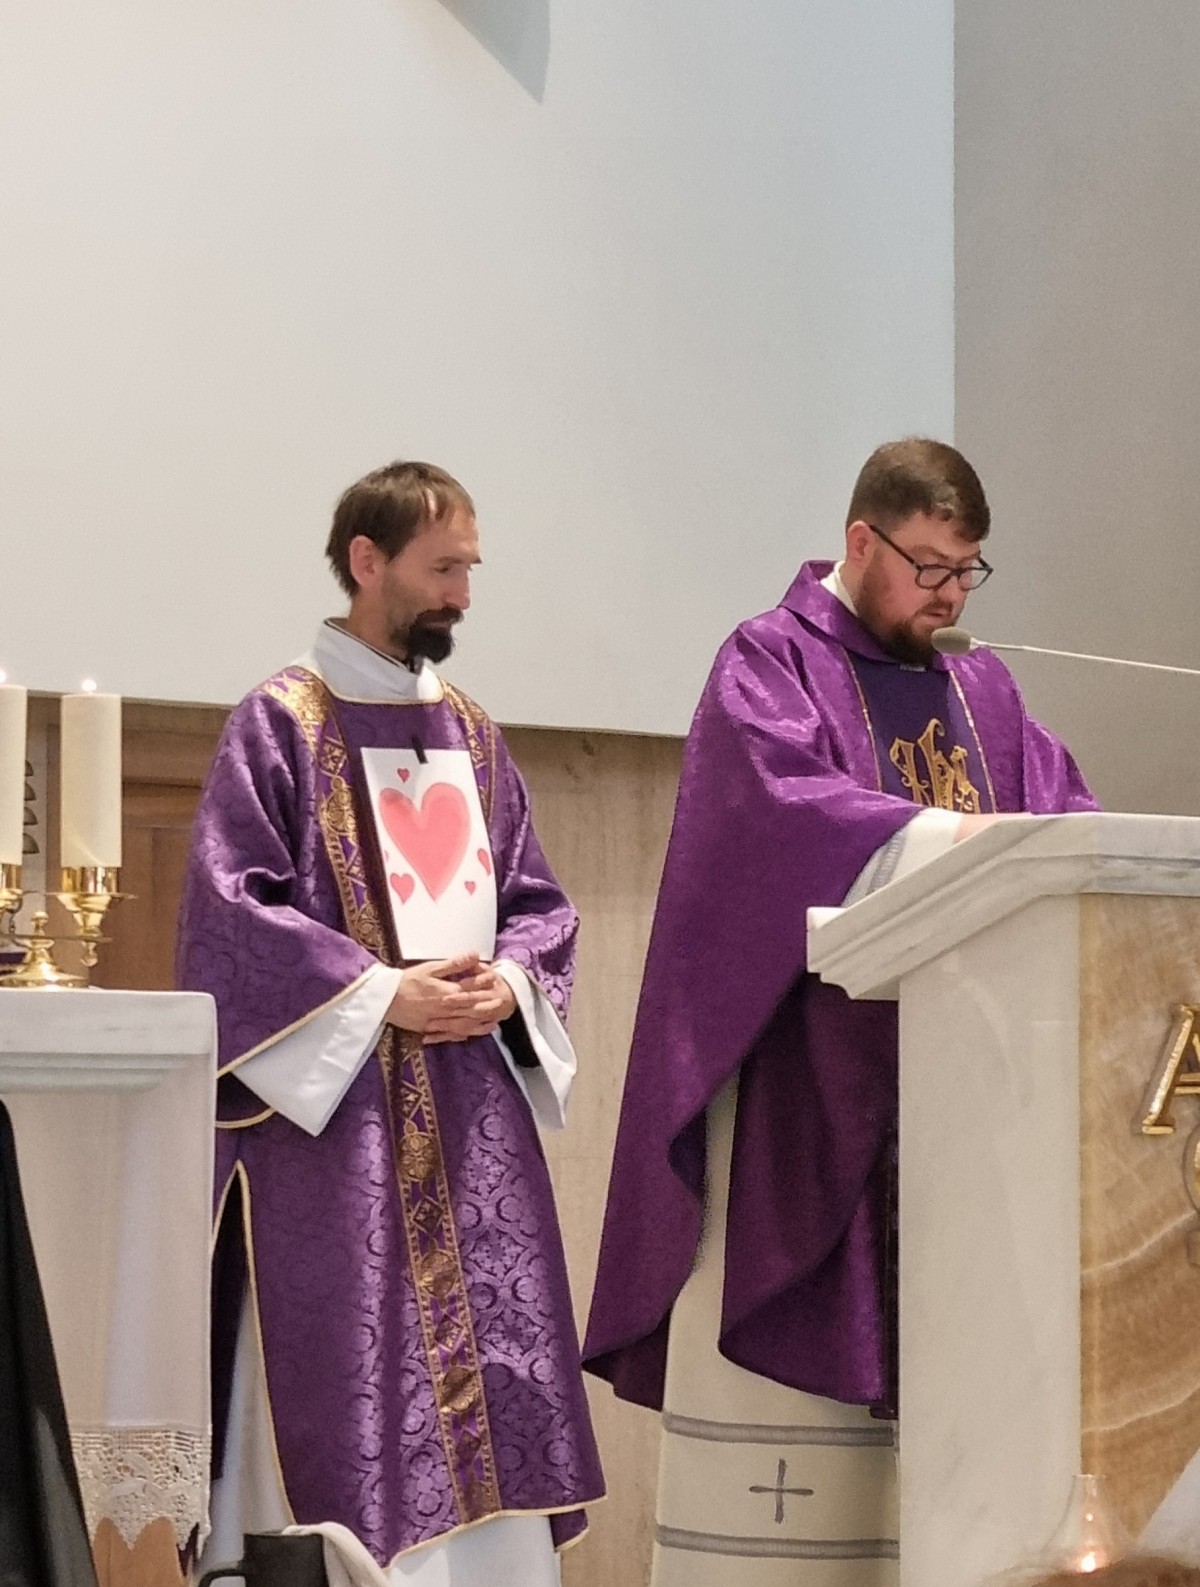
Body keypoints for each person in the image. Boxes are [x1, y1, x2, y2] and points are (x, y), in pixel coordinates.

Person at [582, 438, 1096, 1584]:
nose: (950, 597)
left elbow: (1065, 827)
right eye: (929, 568)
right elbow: (775, 822)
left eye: (967, 572)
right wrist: (957, 841)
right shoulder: (770, 663)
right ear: (862, 540)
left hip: (960, 1113)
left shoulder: (982, 690)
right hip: (808, 1109)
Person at [177, 461, 603, 1586]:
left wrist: (508, 983)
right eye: (443, 568)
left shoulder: (472, 731)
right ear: (367, 562)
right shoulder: (280, 724)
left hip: (471, 1117)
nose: (463, 593)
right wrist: (379, 994)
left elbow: (538, 902)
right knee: (348, 1376)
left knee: (497, 1375)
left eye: (470, 568)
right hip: (340, 1132)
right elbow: (230, 917)